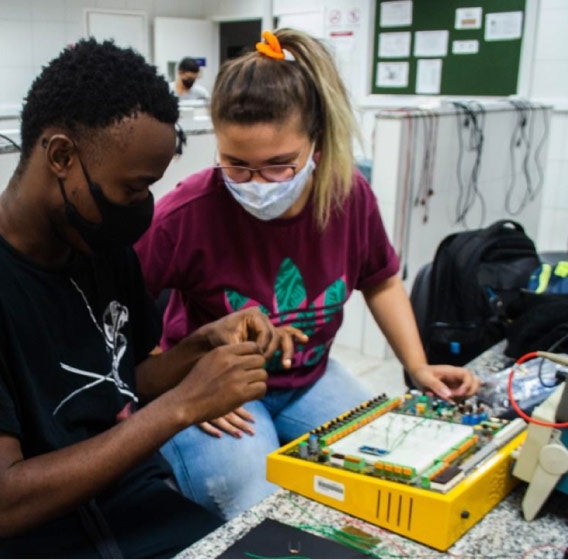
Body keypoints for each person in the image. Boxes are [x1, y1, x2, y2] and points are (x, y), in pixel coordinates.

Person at [0, 38, 299, 558]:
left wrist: (201, 348)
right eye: (132, 189)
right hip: (30, 540)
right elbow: (2, 502)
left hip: (127, 503)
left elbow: (122, 383)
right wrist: (183, 405)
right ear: (61, 155)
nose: (142, 207)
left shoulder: (97, 244)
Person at [134, 29, 482, 521]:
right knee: (255, 499)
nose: (256, 184)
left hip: (307, 379)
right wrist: (184, 388)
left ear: (315, 146)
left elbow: (380, 280)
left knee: (391, 466)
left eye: (279, 166)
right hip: (217, 388)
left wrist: (418, 366)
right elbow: (116, 310)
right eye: (236, 165)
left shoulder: (348, 196)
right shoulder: (186, 213)